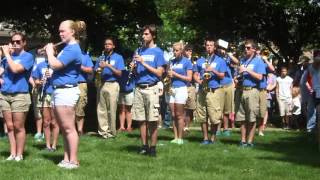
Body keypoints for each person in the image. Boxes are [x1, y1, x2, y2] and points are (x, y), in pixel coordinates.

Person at [45, 20, 84, 169]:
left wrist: (49, 53)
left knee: (68, 128)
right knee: (64, 128)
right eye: (59, 31)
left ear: (72, 32)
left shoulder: (72, 49)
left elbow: (56, 64)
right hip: (60, 90)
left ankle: (73, 160)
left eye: (63, 31)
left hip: (66, 91)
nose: (60, 34)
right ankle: (67, 158)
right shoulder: (67, 48)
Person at [131, 24, 166, 157]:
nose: (143, 36)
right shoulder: (139, 50)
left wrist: (143, 63)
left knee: (152, 120)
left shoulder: (158, 52)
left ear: (153, 36)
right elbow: (135, 72)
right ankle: (144, 146)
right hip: (139, 88)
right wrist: (133, 67)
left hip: (152, 88)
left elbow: (159, 73)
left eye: (146, 34)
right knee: (141, 119)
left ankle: (153, 148)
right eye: (143, 34)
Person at [0, 32, 34, 161]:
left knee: (18, 126)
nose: (15, 44)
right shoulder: (5, 58)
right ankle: (12, 153)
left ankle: (19, 154)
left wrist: (7, 55)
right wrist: (3, 55)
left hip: (20, 95)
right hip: (4, 94)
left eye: (18, 41)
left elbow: (15, 69)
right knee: (9, 126)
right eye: (13, 41)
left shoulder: (28, 57)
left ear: (24, 43)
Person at [194, 38, 226, 144]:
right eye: (207, 45)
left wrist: (213, 70)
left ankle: (213, 137)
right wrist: (199, 81)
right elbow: (195, 74)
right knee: (202, 115)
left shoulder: (220, 60)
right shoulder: (200, 60)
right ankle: (205, 138)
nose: (209, 47)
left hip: (214, 90)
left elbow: (222, 76)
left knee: (214, 116)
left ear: (215, 47)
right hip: (202, 90)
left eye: (211, 45)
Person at [235, 39, 265, 147]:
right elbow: (240, 74)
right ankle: (243, 140)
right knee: (242, 118)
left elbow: (260, 77)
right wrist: (237, 78)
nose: (245, 50)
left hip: (253, 91)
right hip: (242, 90)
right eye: (245, 47)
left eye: (248, 48)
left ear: (254, 49)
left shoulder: (258, 61)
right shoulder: (242, 60)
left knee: (251, 118)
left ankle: (250, 141)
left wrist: (247, 70)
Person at [95, 37, 124, 139]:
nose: (107, 46)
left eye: (109, 44)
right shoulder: (100, 58)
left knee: (111, 109)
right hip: (101, 84)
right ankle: (103, 132)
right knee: (101, 109)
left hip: (113, 84)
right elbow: (95, 71)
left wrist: (107, 66)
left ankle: (112, 132)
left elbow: (120, 73)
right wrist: (98, 70)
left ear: (113, 46)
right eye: (106, 44)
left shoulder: (118, 57)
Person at [166, 42, 192, 145]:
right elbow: (168, 74)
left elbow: (189, 78)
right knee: (173, 114)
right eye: (174, 50)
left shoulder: (187, 62)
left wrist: (175, 74)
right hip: (172, 88)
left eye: (177, 50)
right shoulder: (171, 61)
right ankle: (175, 137)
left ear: (181, 51)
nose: (175, 52)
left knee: (179, 114)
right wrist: (168, 76)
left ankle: (180, 138)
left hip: (181, 88)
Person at [32, 58, 59, 151]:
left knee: (54, 122)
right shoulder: (41, 65)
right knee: (46, 122)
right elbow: (35, 78)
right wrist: (39, 82)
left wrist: (52, 76)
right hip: (44, 94)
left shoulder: (58, 64)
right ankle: (47, 145)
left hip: (56, 94)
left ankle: (54, 145)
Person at [216, 46, 239, 136]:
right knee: (218, 109)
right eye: (220, 49)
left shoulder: (228, 58)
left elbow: (237, 62)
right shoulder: (216, 59)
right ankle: (217, 129)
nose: (221, 50)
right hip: (219, 85)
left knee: (227, 109)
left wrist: (228, 54)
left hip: (229, 85)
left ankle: (225, 129)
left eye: (223, 49)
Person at [75, 51, 93, 136]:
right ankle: (70, 129)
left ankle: (79, 130)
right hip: (68, 84)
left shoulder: (85, 56)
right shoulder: (66, 53)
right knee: (69, 108)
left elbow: (90, 70)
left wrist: (79, 66)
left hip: (81, 84)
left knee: (80, 107)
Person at [117, 60, 135, 132]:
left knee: (129, 110)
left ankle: (129, 126)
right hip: (121, 91)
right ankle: (121, 126)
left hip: (129, 91)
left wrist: (132, 69)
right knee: (121, 110)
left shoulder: (132, 70)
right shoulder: (120, 70)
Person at [183, 44, 197, 133]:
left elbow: (195, 73)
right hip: (182, 85)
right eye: (187, 50)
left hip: (191, 86)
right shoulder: (182, 61)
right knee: (182, 107)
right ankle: (182, 125)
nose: (189, 52)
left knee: (189, 108)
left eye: (190, 51)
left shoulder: (193, 61)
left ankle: (187, 126)